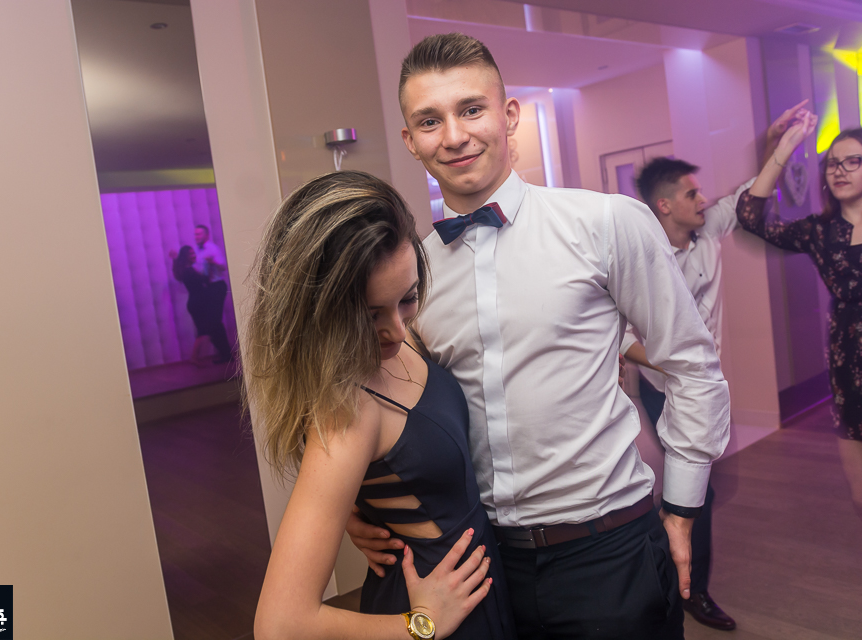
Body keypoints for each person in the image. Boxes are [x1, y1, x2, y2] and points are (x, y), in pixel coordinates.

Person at [348, 33, 730, 639]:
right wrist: (356, 509)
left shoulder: (604, 223)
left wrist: (682, 510)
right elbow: (391, 401)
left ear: (509, 116)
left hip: (608, 550)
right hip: (479, 562)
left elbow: (690, 364)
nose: (454, 136)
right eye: (430, 120)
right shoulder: (413, 270)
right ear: (410, 140)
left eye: (471, 109)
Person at [248, 171, 515, 640]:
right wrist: (424, 625)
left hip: (471, 586)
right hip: (431, 608)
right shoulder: (347, 411)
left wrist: (362, 505)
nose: (396, 330)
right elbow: (280, 625)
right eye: (370, 315)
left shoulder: (394, 338)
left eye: (407, 299)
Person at [621, 102, 805, 631]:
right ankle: (688, 590)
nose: (703, 200)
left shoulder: (707, 231)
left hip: (705, 388)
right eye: (691, 194)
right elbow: (623, 337)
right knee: (694, 490)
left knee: (697, 488)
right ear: (664, 205)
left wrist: (775, 145)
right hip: (662, 390)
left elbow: (751, 195)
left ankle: (669, 570)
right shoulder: (641, 259)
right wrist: (674, 364)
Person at [735, 114, 862, 522]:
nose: (839, 170)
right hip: (850, 363)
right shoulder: (820, 231)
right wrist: (784, 149)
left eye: (853, 161)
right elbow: (750, 217)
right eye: (833, 163)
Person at [172, 246, 231, 367]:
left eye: (194, 253)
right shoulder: (188, 271)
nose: (194, 255)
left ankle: (197, 358)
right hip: (197, 304)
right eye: (191, 254)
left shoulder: (187, 270)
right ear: (186, 257)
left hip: (196, 303)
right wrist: (210, 265)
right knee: (204, 331)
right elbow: (204, 280)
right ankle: (194, 358)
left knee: (204, 331)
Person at [194, 224, 232, 363]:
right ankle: (225, 354)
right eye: (195, 234)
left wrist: (213, 261)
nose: (196, 236)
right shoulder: (197, 251)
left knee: (214, 322)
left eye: (199, 234)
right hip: (208, 288)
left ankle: (226, 355)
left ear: (206, 235)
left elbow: (223, 267)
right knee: (212, 322)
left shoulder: (212, 248)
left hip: (217, 286)